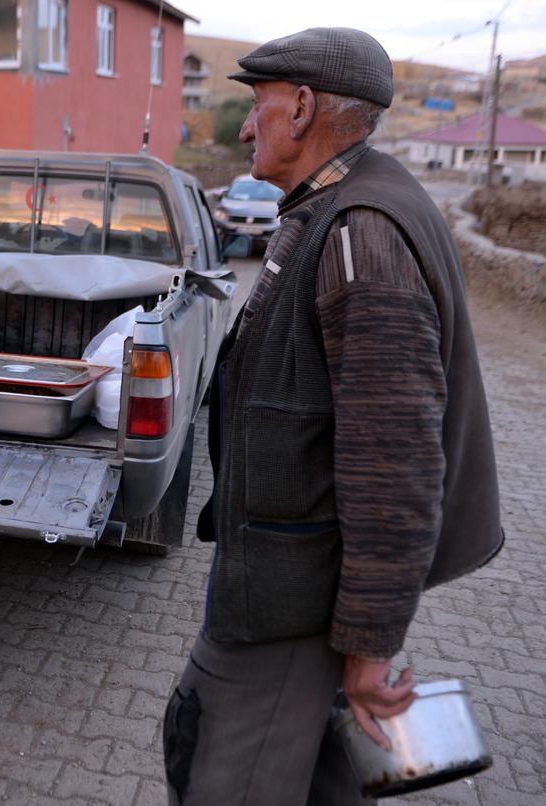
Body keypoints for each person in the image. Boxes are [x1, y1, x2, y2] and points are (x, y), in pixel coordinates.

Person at [163, 28, 503, 804]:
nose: (245, 126)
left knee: (220, 773)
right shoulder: (334, 204)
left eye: (259, 105)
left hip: (292, 612)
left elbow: (396, 468)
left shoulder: (362, 236)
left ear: (305, 108)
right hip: (284, 583)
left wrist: (370, 647)